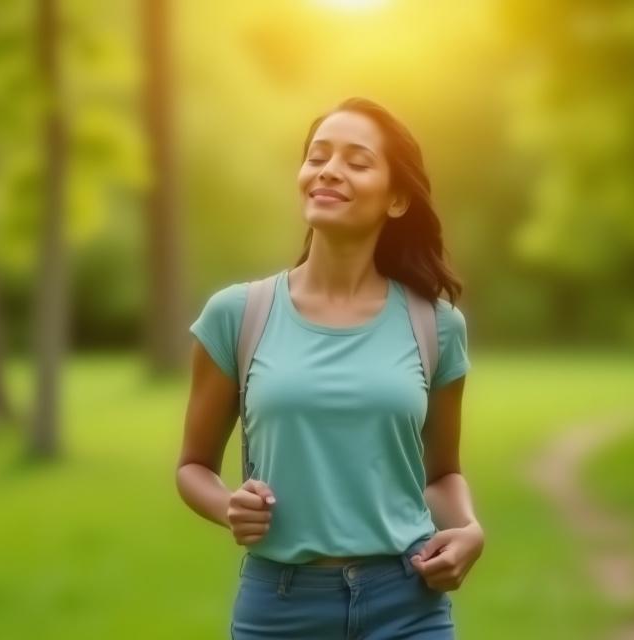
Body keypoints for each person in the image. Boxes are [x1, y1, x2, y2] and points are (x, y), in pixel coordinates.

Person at [176, 97, 484, 639]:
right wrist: (229, 507)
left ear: (396, 199)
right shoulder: (238, 314)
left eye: (356, 162)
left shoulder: (435, 326)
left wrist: (469, 531)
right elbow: (192, 467)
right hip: (281, 609)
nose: (329, 170)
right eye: (317, 157)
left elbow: (440, 475)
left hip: (409, 602)